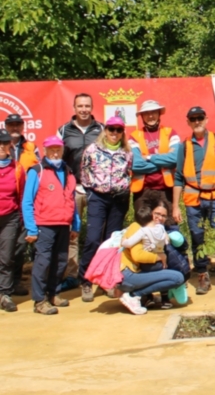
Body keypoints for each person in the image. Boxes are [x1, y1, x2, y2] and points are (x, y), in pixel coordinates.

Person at [172, 106, 215, 295]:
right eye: (193, 119)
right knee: (197, 238)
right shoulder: (184, 146)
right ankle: (202, 275)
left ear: (206, 119)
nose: (197, 122)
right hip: (193, 199)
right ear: (188, 121)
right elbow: (178, 177)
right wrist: (175, 206)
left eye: (200, 118)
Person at [21, 136, 80, 315]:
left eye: (58, 149)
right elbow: (27, 202)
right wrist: (31, 228)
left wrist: (75, 225)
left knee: (61, 261)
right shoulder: (36, 171)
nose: (55, 152)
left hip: (63, 224)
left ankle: (53, 293)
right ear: (45, 151)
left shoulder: (68, 171)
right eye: (52, 149)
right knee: (43, 263)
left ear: (62, 151)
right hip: (44, 224)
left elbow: (72, 200)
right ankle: (39, 301)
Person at [78, 116, 133, 303]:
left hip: (119, 199)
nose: (114, 133)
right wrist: (92, 191)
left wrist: (123, 187)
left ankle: (107, 280)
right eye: (111, 129)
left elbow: (130, 172)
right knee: (93, 238)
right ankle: (86, 280)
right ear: (105, 130)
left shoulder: (127, 152)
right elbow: (84, 171)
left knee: (112, 241)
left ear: (122, 132)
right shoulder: (92, 150)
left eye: (118, 130)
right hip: (98, 198)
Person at [58, 93, 104, 289]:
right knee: (72, 234)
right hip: (73, 188)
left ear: (92, 107)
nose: (84, 109)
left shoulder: (101, 129)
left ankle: (98, 274)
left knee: (99, 235)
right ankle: (71, 275)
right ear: (74, 108)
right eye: (80, 106)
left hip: (97, 189)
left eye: (87, 106)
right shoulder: (63, 130)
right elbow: (57, 158)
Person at [116, 200, 185, 315]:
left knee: (164, 269)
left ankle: (142, 296)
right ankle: (134, 295)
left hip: (133, 272)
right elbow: (137, 255)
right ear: (149, 213)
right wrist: (159, 256)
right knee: (177, 278)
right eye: (157, 214)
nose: (160, 218)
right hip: (127, 274)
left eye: (163, 216)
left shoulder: (153, 230)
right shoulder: (136, 228)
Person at [129, 100, 179, 205]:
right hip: (142, 191)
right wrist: (164, 163)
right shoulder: (134, 136)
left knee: (167, 221)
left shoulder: (170, 132)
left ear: (159, 114)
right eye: (146, 113)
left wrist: (148, 158)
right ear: (142, 116)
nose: (150, 116)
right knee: (143, 222)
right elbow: (135, 164)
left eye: (154, 112)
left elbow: (175, 159)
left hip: (166, 190)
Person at [0, 129, 25, 311]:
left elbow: (22, 195)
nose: (2, 146)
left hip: (10, 217)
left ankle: (5, 294)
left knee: (7, 257)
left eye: (5, 143)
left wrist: (23, 220)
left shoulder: (17, 168)